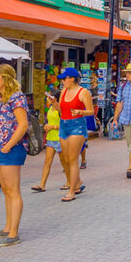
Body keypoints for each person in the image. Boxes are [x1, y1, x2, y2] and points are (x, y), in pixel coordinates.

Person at [0, 64, 29, 247]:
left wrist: (8, 145)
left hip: (10, 149)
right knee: (6, 190)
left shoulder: (16, 98)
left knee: (13, 191)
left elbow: (23, 125)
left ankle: (13, 233)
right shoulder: (0, 99)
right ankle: (7, 227)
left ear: (6, 78)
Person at [57, 68, 95, 202]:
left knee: (73, 160)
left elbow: (91, 111)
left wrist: (80, 112)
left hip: (77, 126)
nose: (62, 81)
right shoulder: (63, 91)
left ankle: (72, 191)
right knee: (66, 159)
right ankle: (77, 182)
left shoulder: (83, 92)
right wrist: (54, 104)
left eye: (64, 78)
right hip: (63, 125)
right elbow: (61, 110)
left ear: (72, 78)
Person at [31, 88, 69, 192]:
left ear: (54, 98)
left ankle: (70, 181)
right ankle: (42, 185)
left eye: (49, 97)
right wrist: (47, 126)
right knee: (47, 162)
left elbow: (64, 124)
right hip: (50, 138)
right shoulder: (50, 108)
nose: (47, 99)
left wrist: (52, 127)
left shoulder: (59, 109)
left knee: (64, 162)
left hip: (59, 138)